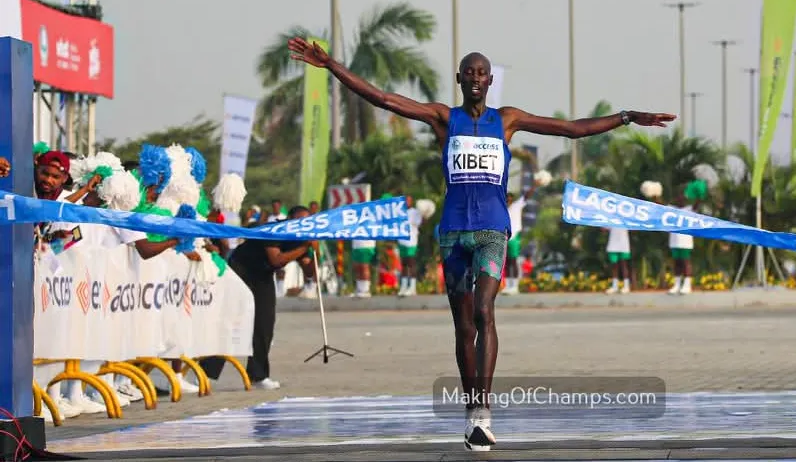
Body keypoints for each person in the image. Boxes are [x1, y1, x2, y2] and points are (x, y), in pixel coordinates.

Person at [288, 39, 674, 451]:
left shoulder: (506, 120)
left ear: (490, 81)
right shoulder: (443, 118)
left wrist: (628, 117)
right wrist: (331, 65)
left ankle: (482, 415)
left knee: (486, 312)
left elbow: (571, 129)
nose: (475, 78)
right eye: (468, 72)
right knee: (463, 324)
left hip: (492, 228)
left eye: (481, 72)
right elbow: (382, 98)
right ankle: (471, 409)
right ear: (459, 79)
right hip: (453, 232)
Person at [199, 205, 318, 391]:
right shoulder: (274, 231)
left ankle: (258, 375)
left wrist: (313, 253)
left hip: (263, 276)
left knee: (264, 323)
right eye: (299, 222)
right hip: (241, 269)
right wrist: (304, 248)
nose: (303, 226)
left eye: (307, 223)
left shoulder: (302, 240)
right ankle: (206, 373)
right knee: (231, 322)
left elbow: (310, 272)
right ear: (290, 220)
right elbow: (276, 260)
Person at [502, 183, 536, 295]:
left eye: (509, 198)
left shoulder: (517, 205)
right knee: (506, 262)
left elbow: (527, 195)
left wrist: (535, 185)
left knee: (513, 261)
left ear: (512, 199)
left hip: (514, 236)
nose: (508, 200)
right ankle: (508, 285)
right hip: (503, 237)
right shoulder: (501, 208)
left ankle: (515, 286)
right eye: (506, 198)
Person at [603, 226, 632, 294]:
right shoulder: (611, 217)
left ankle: (626, 286)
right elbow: (604, 229)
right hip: (613, 245)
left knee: (624, 265)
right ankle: (614, 287)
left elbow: (632, 228)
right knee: (614, 266)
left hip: (624, 245)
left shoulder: (626, 217)